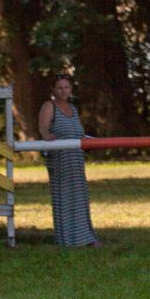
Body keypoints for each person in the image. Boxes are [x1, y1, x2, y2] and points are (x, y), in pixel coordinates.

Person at [37, 75, 100, 247]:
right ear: (53, 90)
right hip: (60, 158)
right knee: (64, 197)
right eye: (59, 87)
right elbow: (43, 128)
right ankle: (68, 239)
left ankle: (86, 237)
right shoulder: (49, 106)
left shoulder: (73, 108)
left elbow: (78, 133)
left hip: (76, 159)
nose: (63, 91)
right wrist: (46, 136)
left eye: (66, 87)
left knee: (80, 197)